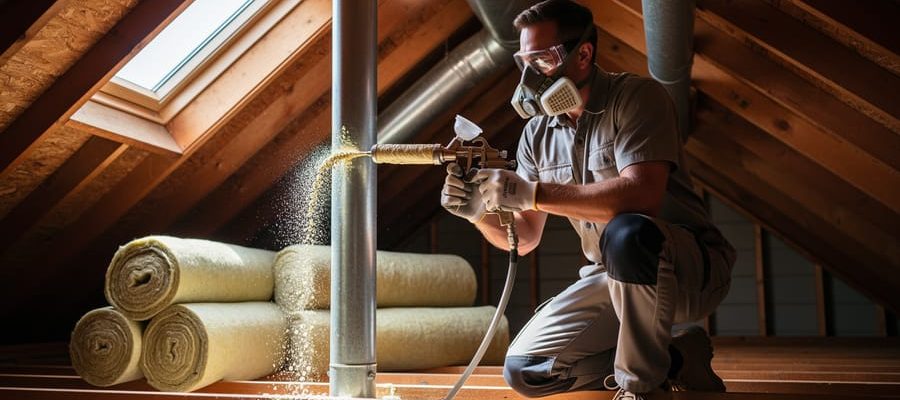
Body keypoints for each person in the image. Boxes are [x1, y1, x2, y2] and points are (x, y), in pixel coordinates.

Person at [440, 0, 736, 399]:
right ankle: (680, 358)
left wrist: (532, 193)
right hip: (611, 275)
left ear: (583, 54)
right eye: (524, 61)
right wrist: (478, 214)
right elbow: (525, 238)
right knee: (527, 371)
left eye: (542, 59)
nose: (531, 75)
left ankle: (641, 388)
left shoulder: (636, 98)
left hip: (684, 269)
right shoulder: (537, 136)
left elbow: (642, 197)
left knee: (627, 231)